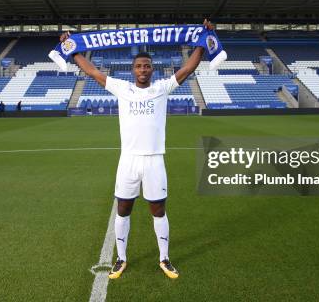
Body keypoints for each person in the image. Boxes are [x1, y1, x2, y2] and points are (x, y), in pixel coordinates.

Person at [60, 19, 213, 279]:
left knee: (159, 210)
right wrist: (73, 49)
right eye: (139, 66)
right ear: (133, 70)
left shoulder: (161, 88)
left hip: (154, 160)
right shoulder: (122, 88)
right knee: (123, 208)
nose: (143, 69)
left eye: (147, 66)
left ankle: (164, 259)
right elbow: (93, 72)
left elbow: (188, 68)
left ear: (153, 70)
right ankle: (121, 258)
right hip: (128, 160)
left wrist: (204, 39)